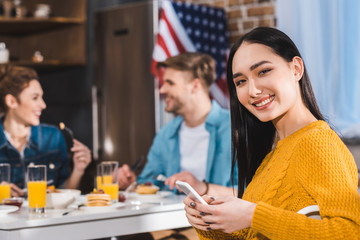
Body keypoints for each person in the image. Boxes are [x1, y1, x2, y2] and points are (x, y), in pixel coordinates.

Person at [183, 27, 360, 239]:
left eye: (263, 71)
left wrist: (252, 214)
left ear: (296, 69)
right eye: (241, 81)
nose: (253, 91)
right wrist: (208, 224)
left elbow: (351, 232)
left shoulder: (317, 142)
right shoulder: (273, 154)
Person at [118, 52, 235, 196]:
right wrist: (131, 182)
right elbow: (150, 182)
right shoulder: (166, 133)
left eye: (170, 83)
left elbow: (254, 193)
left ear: (195, 85)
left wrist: (203, 188)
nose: (162, 89)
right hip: (173, 218)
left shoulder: (235, 128)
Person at [0, 65, 92, 197]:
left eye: (41, 97)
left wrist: (78, 170)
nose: (43, 105)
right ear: (11, 101)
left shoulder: (53, 137)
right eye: (35, 98)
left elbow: (62, 192)